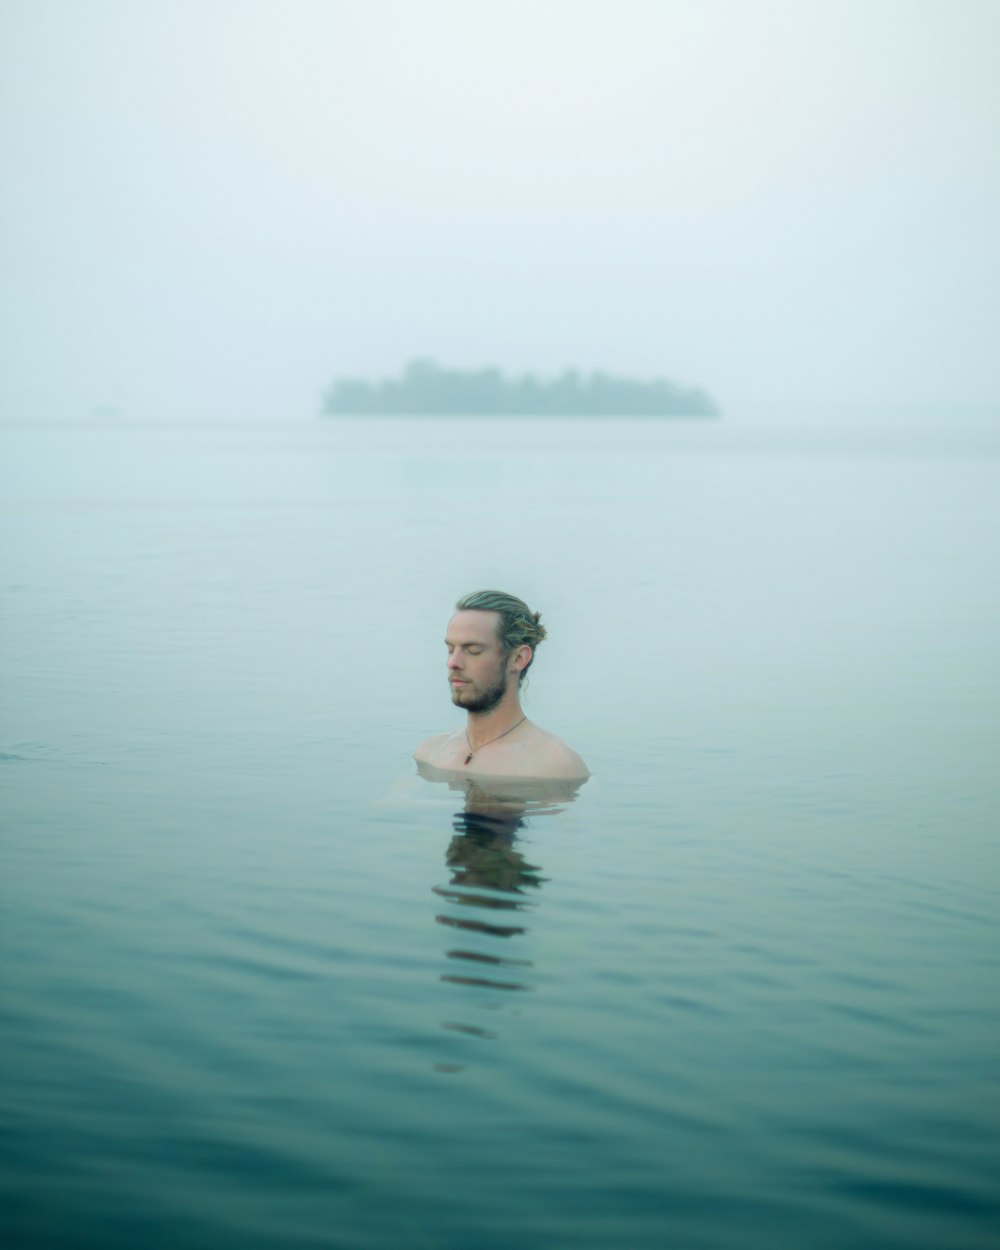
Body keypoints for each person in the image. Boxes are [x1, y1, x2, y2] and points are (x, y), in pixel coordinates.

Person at [414, 589, 589, 781]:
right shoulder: (430, 754)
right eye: (450, 650)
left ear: (518, 658)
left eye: (473, 650)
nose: (453, 663)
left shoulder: (555, 767)